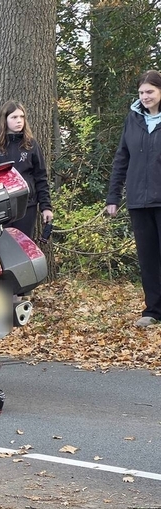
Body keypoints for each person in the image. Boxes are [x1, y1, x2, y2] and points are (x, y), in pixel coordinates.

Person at [106, 70, 161, 328]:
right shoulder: (133, 119)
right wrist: (113, 197)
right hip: (139, 200)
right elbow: (121, 158)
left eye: (150, 91)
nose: (145, 96)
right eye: (141, 92)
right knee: (148, 258)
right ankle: (153, 310)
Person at [0, 100, 54, 239]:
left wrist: (46, 207)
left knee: (22, 248)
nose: (19, 121)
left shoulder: (31, 145)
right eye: (14, 117)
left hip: (26, 206)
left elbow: (41, 177)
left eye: (22, 117)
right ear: (5, 120)